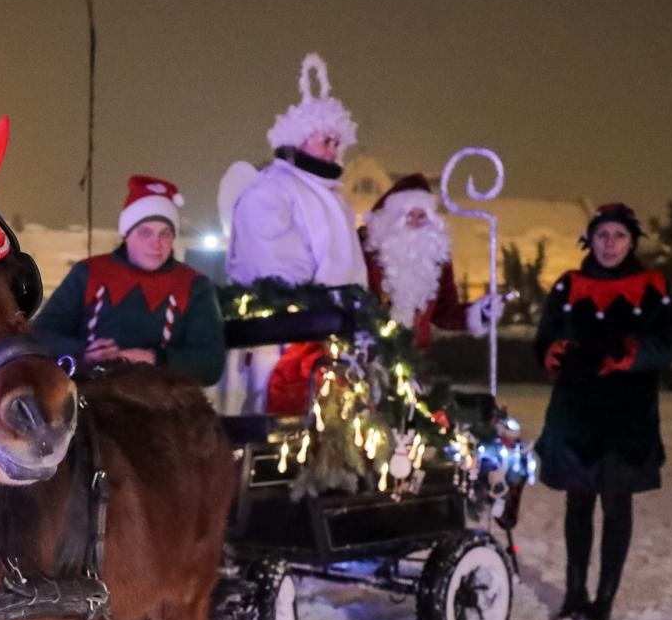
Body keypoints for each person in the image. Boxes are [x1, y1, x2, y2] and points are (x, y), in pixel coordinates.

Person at [534, 202, 672, 620]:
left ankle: (604, 600)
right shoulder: (568, 285)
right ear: (590, 240)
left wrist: (630, 355)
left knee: (617, 503)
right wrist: (552, 353)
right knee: (578, 502)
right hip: (576, 413)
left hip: (626, 416)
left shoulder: (653, 286)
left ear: (632, 241)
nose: (610, 244)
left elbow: (670, 343)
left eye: (618, 235)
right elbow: (545, 337)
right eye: (602, 235)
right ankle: (574, 593)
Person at [264, 173, 499, 415]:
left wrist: (479, 312)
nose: (416, 222)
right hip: (363, 363)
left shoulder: (435, 261)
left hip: (413, 365)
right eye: (409, 215)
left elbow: (445, 312)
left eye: (422, 216)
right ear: (391, 217)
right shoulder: (364, 253)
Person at [217, 52, 366, 412]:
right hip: (286, 340)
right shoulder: (271, 190)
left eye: (337, 143)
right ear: (299, 140)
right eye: (325, 141)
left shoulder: (334, 198)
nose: (332, 151)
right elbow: (276, 267)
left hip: (334, 334)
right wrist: (316, 308)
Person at [31, 174, 225, 385]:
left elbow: (210, 362)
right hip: (91, 390)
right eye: (145, 233)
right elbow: (41, 334)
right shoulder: (88, 273)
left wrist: (154, 359)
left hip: (163, 397)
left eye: (165, 233)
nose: (156, 244)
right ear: (127, 234)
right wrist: (85, 352)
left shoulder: (194, 285)